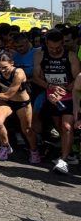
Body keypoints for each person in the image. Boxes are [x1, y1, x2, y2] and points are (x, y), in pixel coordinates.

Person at [31, 29, 81, 174]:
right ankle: (69, 152)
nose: (54, 50)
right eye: (51, 47)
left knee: (66, 126)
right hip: (51, 97)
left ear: (62, 44)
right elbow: (35, 77)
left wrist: (65, 89)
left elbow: (78, 78)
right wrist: (50, 86)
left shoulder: (70, 56)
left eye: (58, 47)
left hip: (69, 96)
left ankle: (63, 160)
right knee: (59, 127)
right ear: (46, 44)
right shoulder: (40, 55)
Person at [0, 53, 40, 164]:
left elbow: (8, 95)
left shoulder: (18, 73)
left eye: (5, 67)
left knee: (27, 130)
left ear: (12, 63)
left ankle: (34, 151)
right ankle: (5, 146)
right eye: (0, 67)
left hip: (21, 103)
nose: (2, 70)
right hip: (5, 101)